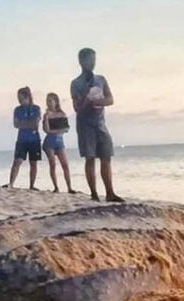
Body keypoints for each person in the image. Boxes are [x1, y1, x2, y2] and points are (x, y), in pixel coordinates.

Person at [70, 48, 123, 202]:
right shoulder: (76, 83)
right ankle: (93, 194)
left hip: (100, 123)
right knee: (90, 158)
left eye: (94, 60)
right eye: (88, 60)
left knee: (106, 156)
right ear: (81, 62)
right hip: (85, 124)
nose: (92, 64)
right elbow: (77, 108)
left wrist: (97, 102)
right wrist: (86, 97)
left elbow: (110, 99)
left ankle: (110, 192)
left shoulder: (101, 79)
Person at [5, 86, 41, 190]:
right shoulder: (17, 109)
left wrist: (23, 123)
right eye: (18, 98)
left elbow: (35, 124)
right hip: (22, 139)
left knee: (33, 163)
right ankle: (11, 183)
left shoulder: (36, 108)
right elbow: (16, 124)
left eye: (20, 97)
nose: (19, 100)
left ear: (27, 96)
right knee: (17, 161)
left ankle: (32, 185)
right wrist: (28, 124)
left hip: (34, 139)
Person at [42, 92, 75, 193]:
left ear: (56, 102)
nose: (49, 103)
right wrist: (46, 119)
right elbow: (46, 130)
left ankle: (69, 187)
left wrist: (55, 131)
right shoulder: (47, 115)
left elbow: (66, 129)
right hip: (50, 142)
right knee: (53, 164)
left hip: (59, 141)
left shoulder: (61, 114)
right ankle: (56, 187)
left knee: (65, 164)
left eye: (51, 101)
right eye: (47, 101)